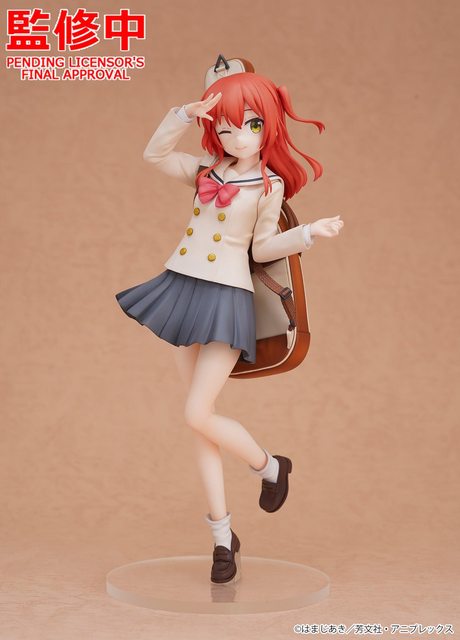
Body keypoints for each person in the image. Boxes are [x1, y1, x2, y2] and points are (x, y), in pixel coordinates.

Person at [115, 71, 344, 584]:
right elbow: (154, 155)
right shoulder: (207, 169)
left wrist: (307, 232)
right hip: (182, 286)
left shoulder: (269, 184)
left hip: (225, 297)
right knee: (200, 420)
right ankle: (222, 538)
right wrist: (182, 115)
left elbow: (262, 248)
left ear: (269, 126)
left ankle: (269, 466)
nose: (239, 138)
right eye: (225, 127)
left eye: (251, 125)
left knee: (197, 413)